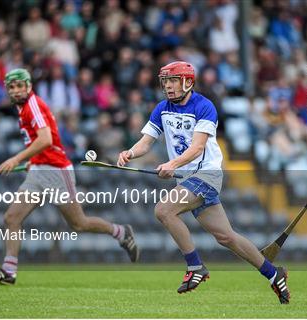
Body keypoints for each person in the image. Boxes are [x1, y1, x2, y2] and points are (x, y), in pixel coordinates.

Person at [117, 61, 290, 304]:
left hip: (206, 174)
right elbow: (146, 142)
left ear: (187, 82)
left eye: (173, 81)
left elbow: (197, 147)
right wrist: (130, 153)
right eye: (165, 81)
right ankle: (274, 274)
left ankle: (195, 266)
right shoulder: (161, 108)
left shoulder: (204, 106)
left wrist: (172, 164)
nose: (168, 86)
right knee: (226, 237)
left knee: (164, 210)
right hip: (188, 178)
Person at [0, 69, 139, 285]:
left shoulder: (32, 105)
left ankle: (121, 232)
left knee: (79, 223)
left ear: (28, 86)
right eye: (11, 87)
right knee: (12, 217)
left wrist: (16, 159)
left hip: (56, 171)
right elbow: (44, 141)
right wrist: (32, 160)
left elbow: (45, 139)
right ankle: (9, 270)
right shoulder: (22, 109)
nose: (16, 90)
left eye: (19, 85)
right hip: (39, 169)